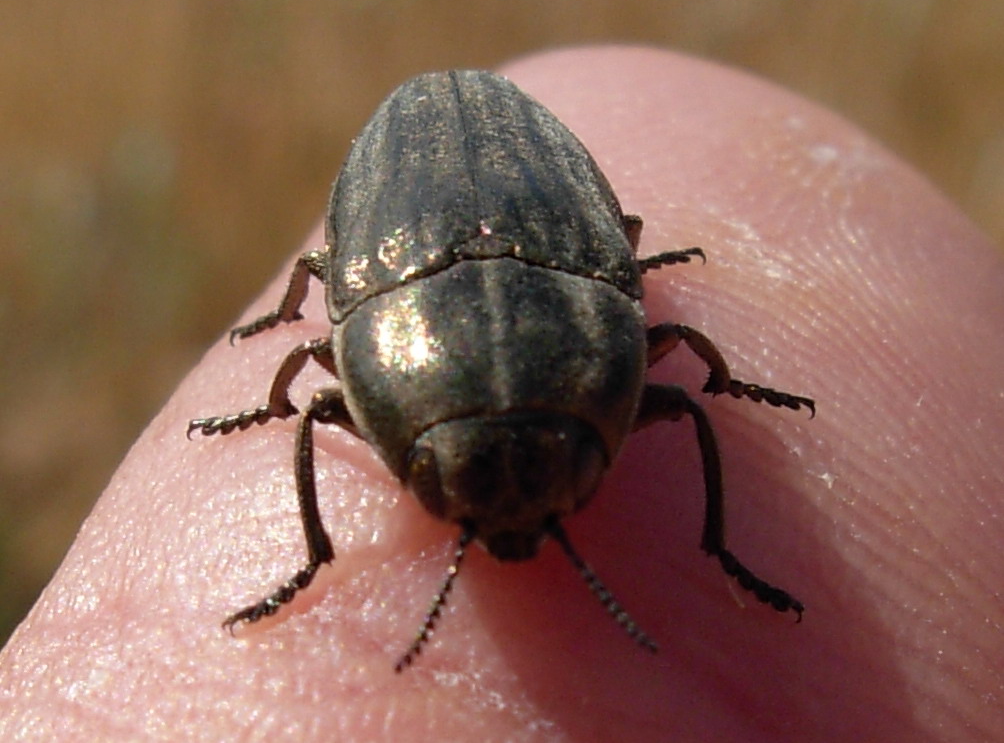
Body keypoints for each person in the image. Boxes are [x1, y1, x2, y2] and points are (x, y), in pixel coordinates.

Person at [1, 46, 1001, 741]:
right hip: (485, 226)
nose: (520, 522)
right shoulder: (508, 346)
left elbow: (680, 356)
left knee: (320, 390)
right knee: (307, 392)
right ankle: (307, 537)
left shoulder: (570, 332)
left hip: (501, 234)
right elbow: (317, 348)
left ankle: (713, 548)